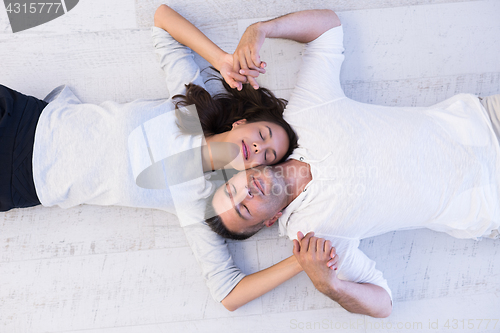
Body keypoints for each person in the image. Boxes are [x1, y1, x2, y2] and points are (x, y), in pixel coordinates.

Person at [200, 8, 500, 318]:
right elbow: (383, 304)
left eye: (233, 189)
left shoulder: (303, 116)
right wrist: (331, 286)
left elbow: (327, 30)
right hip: (489, 203)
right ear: (268, 221)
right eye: (244, 209)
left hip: (485, 121)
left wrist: (261, 29)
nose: (246, 193)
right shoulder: (315, 241)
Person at [0, 7, 299, 214]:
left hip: (21, 182)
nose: (259, 146)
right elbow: (162, 20)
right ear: (241, 123)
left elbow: (226, 290)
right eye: (263, 134)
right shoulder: (193, 113)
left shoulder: (199, 197)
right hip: (26, 120)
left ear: (254, 170)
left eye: (267, 155)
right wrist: (221, 59)